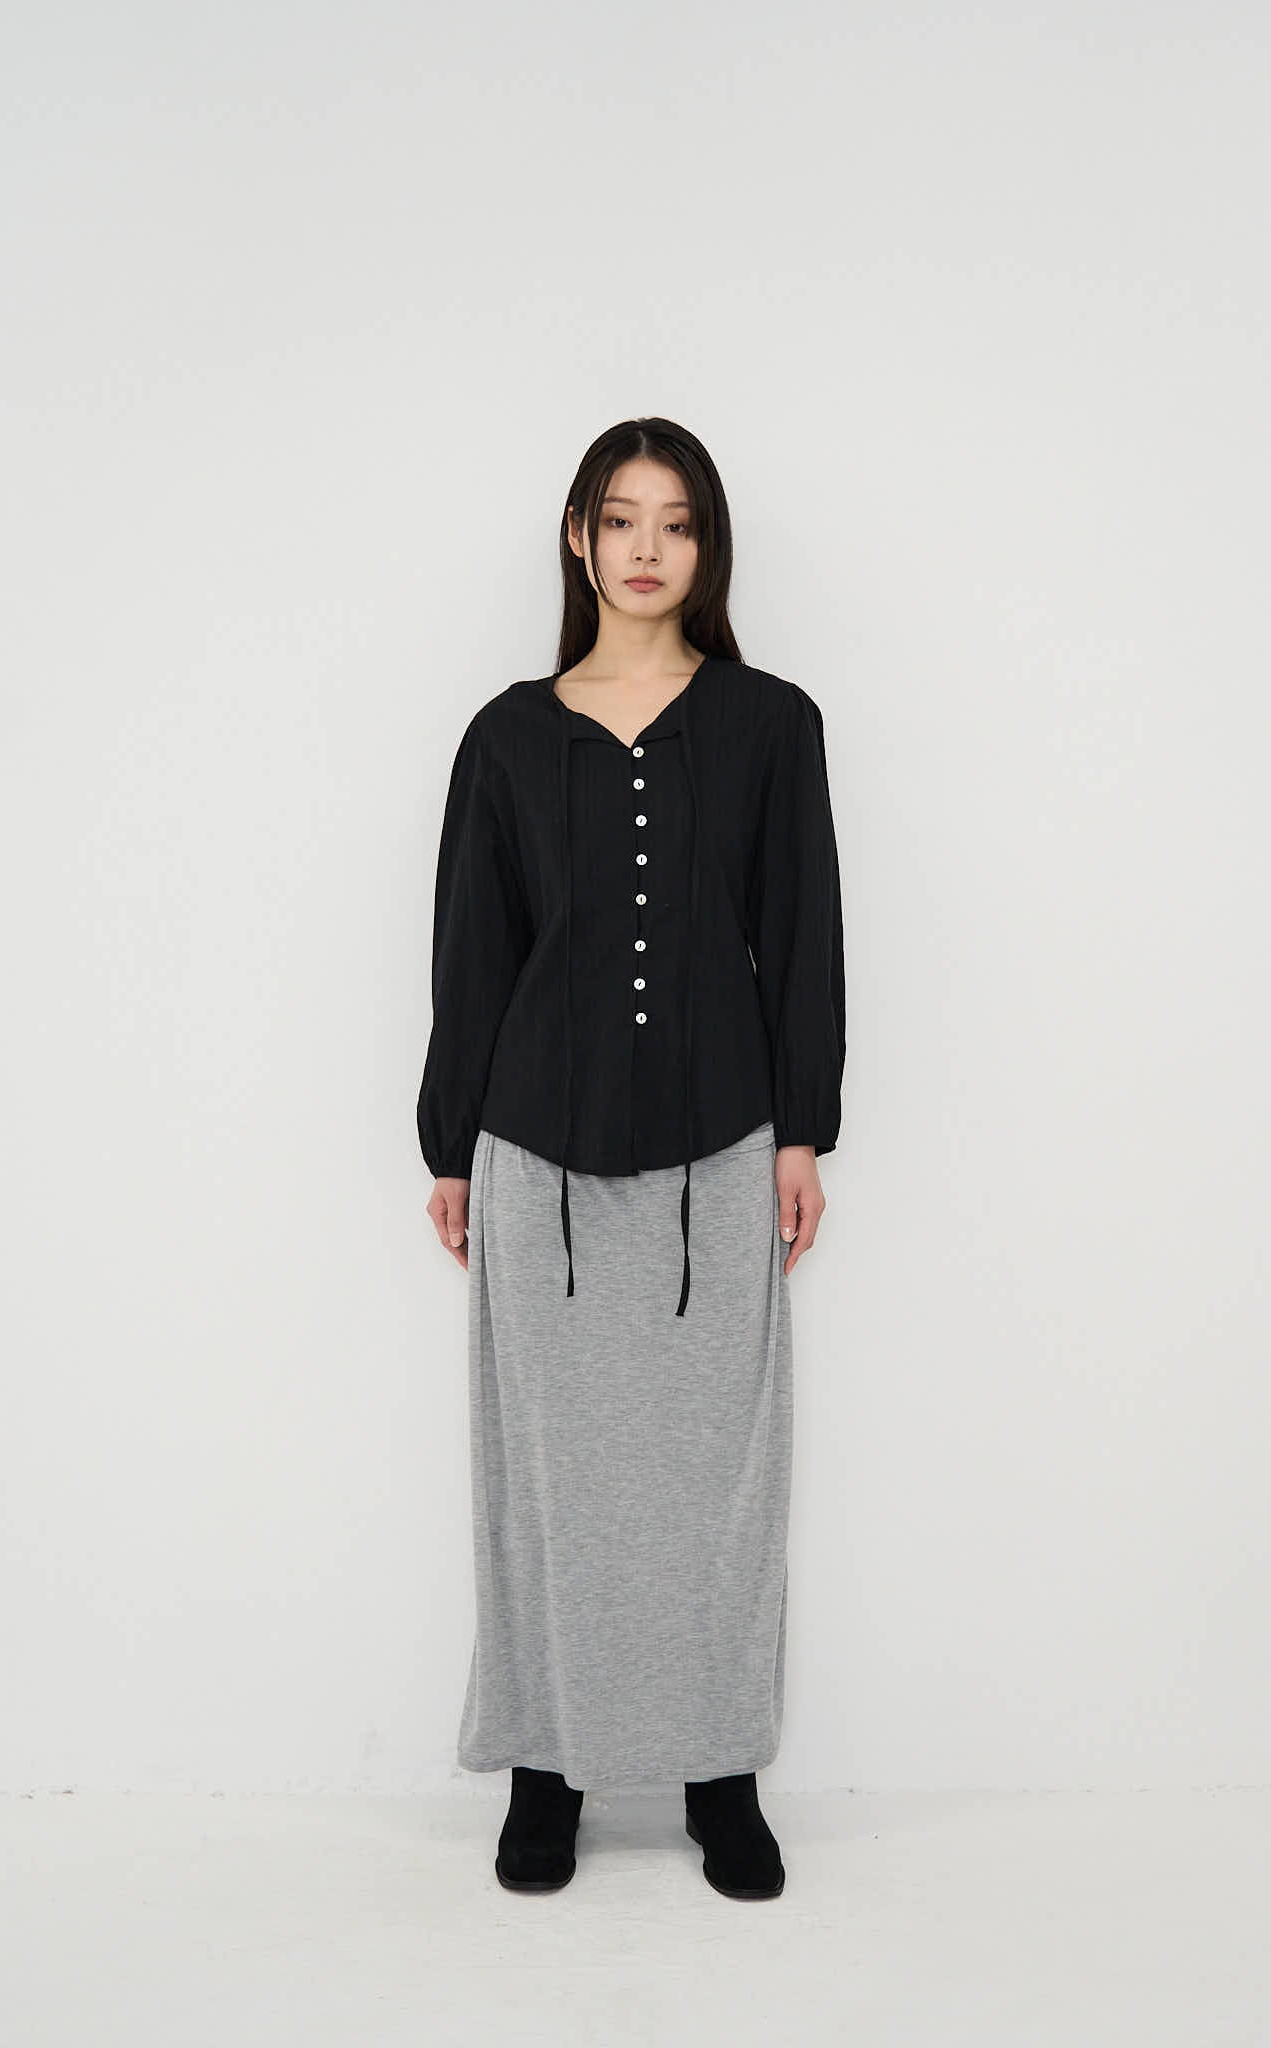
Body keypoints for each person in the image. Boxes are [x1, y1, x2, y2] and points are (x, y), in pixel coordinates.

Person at [416, 415, 846, 1901]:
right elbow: (473, 953)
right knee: (546, 1480)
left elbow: (801, 935)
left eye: (677, 521)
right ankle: (547, 1771)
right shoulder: (507, 737)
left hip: (722, 1146)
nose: (648, 547)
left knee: (719, 1481)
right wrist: (450, 1147)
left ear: (707, 546)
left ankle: (721, 1777)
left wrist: (803, 1131)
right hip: (533, 1152)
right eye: (621, 518)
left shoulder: (771, 724)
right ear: (579, 539)